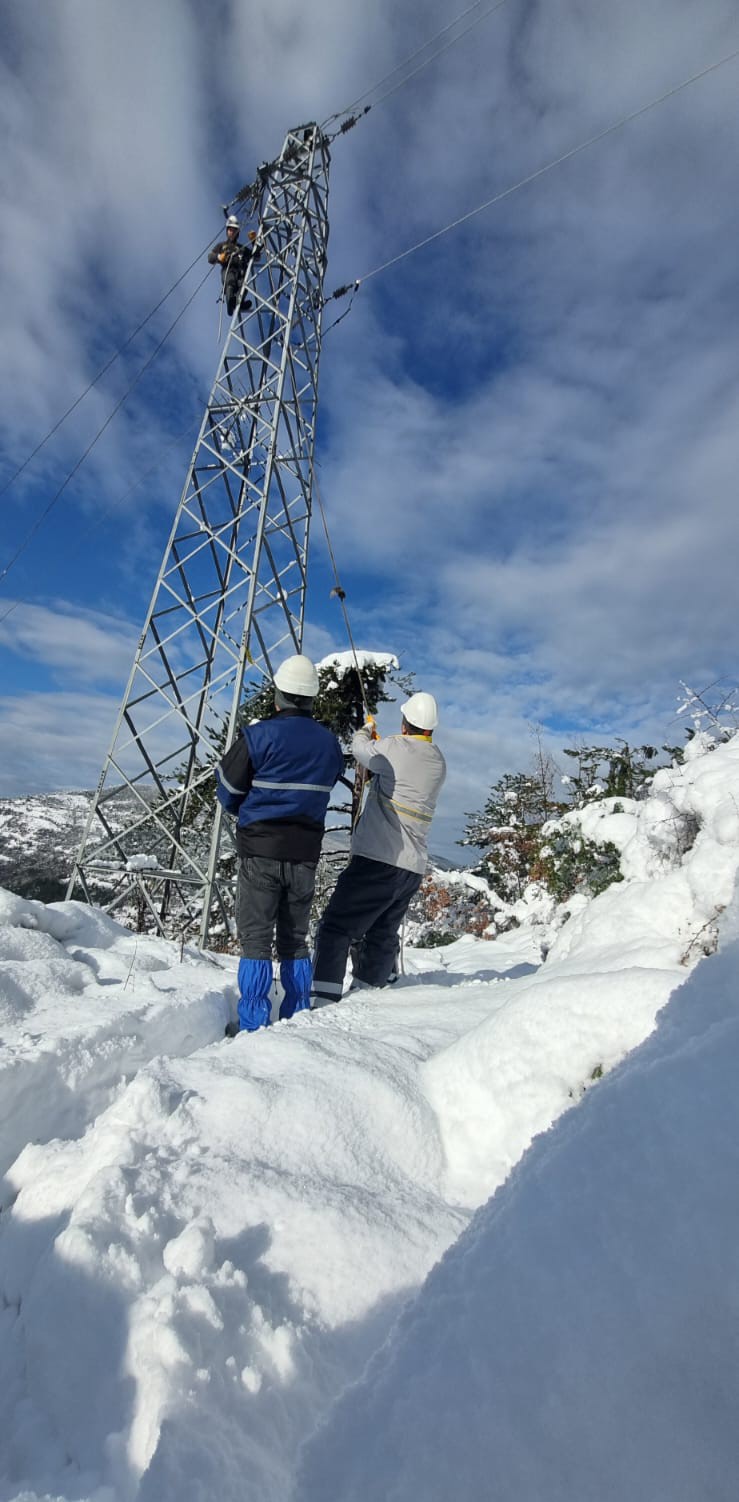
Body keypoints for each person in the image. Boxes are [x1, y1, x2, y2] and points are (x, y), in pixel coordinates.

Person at [215, 654, 344, 1034]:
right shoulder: (329, 744)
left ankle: (254, 1024)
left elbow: (227, 792)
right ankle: (296, 1017)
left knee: (256, 939)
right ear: (311, 698)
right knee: (294, 939)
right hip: (304, 854)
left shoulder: (258, 737)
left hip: (260, 851)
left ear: (279, 695)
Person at [310, 691, 446, 1008]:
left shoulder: (394, 748)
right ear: (431, 729)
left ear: (404, 722)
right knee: (382, 935)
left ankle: (323, 1000)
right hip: (411, 868)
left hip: (378, 860)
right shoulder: (438, 761)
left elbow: (361, 752)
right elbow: (399, 765)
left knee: (335, 927)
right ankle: (367, 999)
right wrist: (384, 744)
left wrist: (366, 731)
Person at [208, 215, 256, 317]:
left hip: (240, 273)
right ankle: (230, 302)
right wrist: (219, 256)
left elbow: (256, 257)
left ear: (237, 232)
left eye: (233, 230)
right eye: (229, 230)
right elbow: (210, 257)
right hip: (228, 270)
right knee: (230, 282)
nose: (231, 232)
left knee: (244, 286)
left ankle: (239, 303)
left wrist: (254, 242)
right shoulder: (222, 246)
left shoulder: (242, 248)